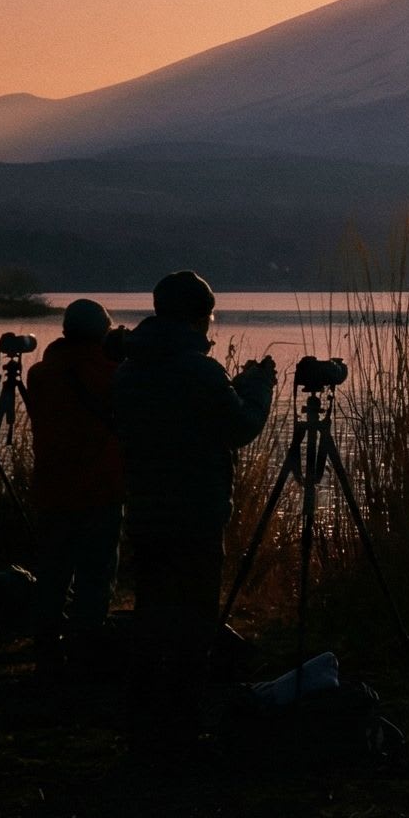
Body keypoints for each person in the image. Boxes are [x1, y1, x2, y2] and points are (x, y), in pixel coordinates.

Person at [111, 272, 275, 730]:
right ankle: (182, 719)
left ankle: (142, 713)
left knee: (151, 613)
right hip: (195, 514)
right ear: (200, 317)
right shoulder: (199, 370)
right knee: (195, 618)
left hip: (145, 511)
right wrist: (258, 386)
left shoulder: (127, 371)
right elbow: (239, 426)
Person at [25, 298, 126, 662]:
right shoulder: (111, 375)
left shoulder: (40, 374)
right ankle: (85, 647)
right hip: (100, 490)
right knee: (95, 575)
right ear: (102, 334)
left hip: (52, 488)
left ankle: (46, 646)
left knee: (52, 572)